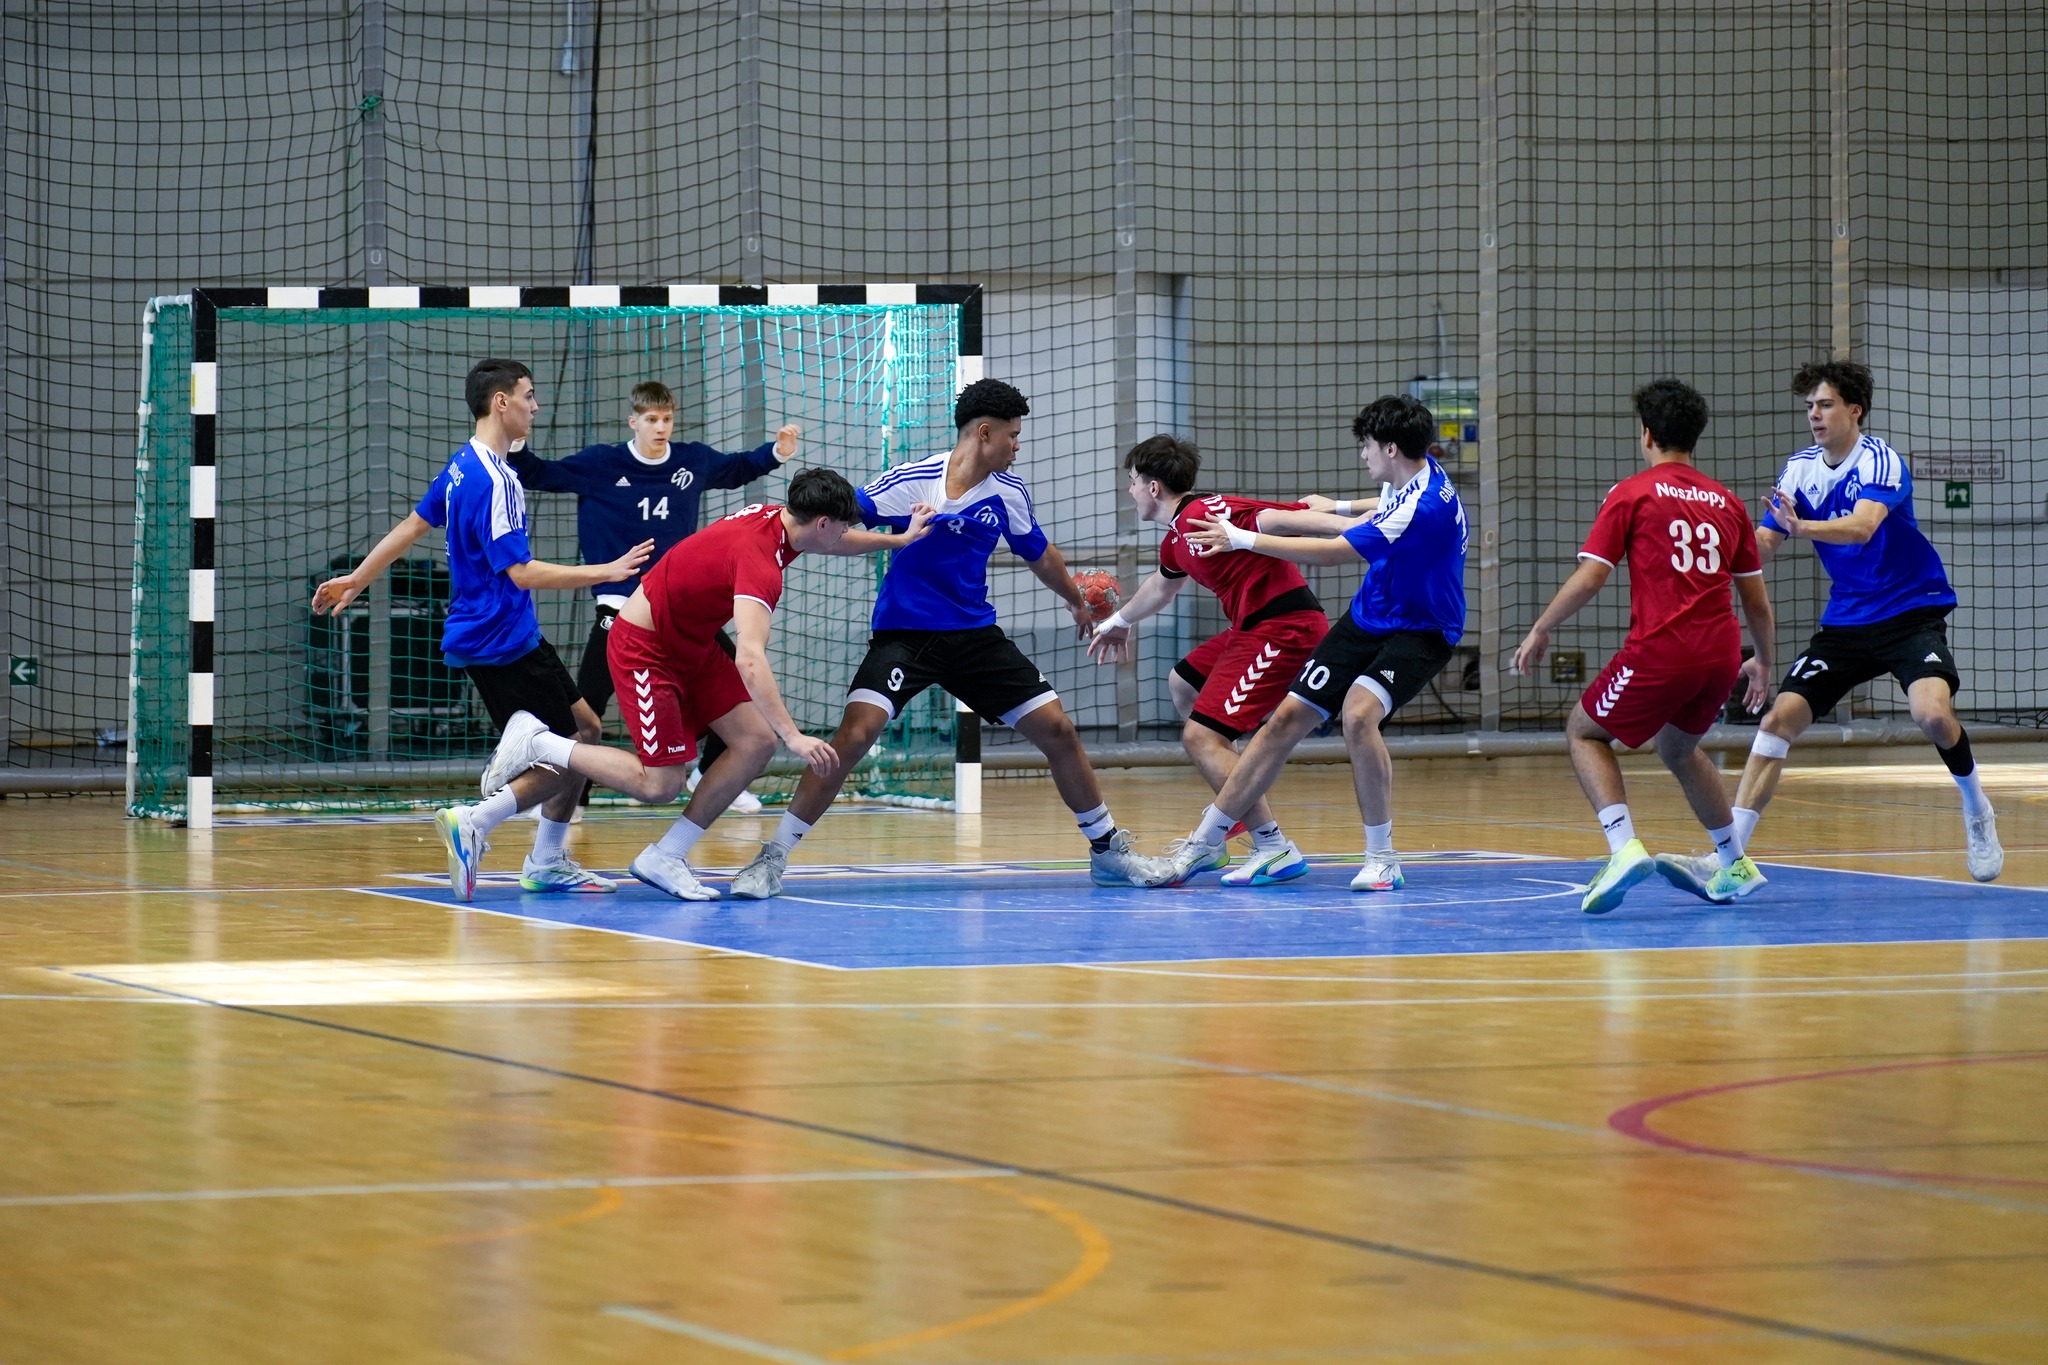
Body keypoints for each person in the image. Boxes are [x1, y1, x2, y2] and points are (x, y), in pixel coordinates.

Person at [722, 379, 1172, 899]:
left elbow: (1039, 553)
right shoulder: (908, 481)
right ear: (984, 433)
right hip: (904, 636)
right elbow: (832, 526)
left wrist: (1075, 599)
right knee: (853, 737)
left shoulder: (1009, 493)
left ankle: (1107, 853)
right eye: (1011, 435)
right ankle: (772, 857)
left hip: (974, 637)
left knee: (1058, 731)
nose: (1017, 445)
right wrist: (796, 546)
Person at [471, 470, 936, 901]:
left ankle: (666, 856)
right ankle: (539, 743)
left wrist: (899, 539)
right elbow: (750, 658)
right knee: (660, 784)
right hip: (646, 647)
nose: (843, 533)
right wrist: (794, 735)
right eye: (841, 525)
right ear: (821, 523)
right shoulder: (760, 564)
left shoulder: (780, 519)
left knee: (754, 741)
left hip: (691, 643)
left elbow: (837, 541)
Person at [311, 359, 652, 900]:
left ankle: (546, 859)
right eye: (528, 396)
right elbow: (522, 573)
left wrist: (358, 578)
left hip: (509, 633)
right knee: (572, 752)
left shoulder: (462, 465)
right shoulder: (498, 481)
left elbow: (413, 524)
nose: (535, 406)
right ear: (501, 402)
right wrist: (605, 571)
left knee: (586, 729)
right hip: (501, 641)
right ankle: (476, 820)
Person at [1153, 394, 1468, 891]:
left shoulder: (1422, 508)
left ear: (1389, 449)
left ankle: (1382, 858)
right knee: (1285, 720)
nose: (1362, 454)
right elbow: (1380, 503)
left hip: (1423, 629)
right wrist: (1337, 505)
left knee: (1358, 716)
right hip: (1367, 618)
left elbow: (1331, 554)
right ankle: (1214, 844)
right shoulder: (1416, 473)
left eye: (1367, 446)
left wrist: (1242, 538)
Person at [1511, 379, 1775, 914]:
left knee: (1584, 731)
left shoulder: (1632, 493)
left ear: (1647, 434)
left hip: (1663, 649)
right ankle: (1734, 861)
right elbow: (1756, 600)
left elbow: (1591, 576)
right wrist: (1765, 661)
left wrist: (1541, 626)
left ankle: (1623, 849)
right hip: (1721, 654)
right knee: (1677, 748)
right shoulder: (1728, 503)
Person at [1731, 360, 2000, 881]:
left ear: (1854, 411)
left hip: (1909, 611)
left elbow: (1861, 527)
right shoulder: (1799, 468)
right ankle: (1730, 857)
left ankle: (1977, 809)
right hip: (1847, 620)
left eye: (1825, 404)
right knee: (1776, 722)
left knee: (1932, 715)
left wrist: (1801, 527)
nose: (1814, 414)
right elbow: (1766, 539)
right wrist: (1723, 553)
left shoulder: (1881, 460)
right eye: (1810, 406)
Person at [508, 380, 800, 813]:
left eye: (666, 419)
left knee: (742, 686)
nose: (660, 427)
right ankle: (569, 799)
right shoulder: (602, 464)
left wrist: (777, 451)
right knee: (589, 705)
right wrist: (516, 442)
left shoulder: (691, 460)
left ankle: (709, 772)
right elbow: (538, 474)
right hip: (622, 610)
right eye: (651, 420)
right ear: (634, 421)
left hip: (681, 612)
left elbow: (736, 468)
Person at [1088, 434, 1352, 885]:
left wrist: (1359, 525)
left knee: (1200, 737)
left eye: (1132, 481)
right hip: (1250, 629)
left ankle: (1272, 846)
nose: (1129, 491)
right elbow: (1162, 587)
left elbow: (1282, 517)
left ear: (1153, 487)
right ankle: (1232, 806)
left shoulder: (1205, 512)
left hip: (1285, 629)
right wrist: (1119, 620)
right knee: (1183, 683)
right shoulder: (1176, 537)